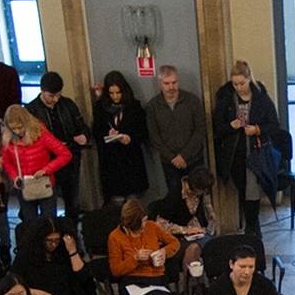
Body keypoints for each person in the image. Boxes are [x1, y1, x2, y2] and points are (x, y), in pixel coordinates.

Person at [211, 61, 284, 239]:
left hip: (256, 152)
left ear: (249, 79)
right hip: (235, 153)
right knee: (242, 189)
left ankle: (252, 227)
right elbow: (216, 128)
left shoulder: (261, 98)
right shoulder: (226, 99)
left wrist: (257, 129)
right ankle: (251, 225)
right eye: (235, 84)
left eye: (242, 84)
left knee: (252, 190)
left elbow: (274, 125)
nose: (239, 88)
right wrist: (231, 125)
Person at [1, 102, 73, 231]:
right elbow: (7, 162)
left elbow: (65, 154)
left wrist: (46, 170)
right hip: (24, 186)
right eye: (13, 128)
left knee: (49, 223)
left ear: (26, 123)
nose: (17, 132)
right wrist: (15, 177)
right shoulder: (8, 139)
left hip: (45, 184)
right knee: (30, 225)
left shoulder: (41, 134)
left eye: (19, 127)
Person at [29, 72, 93, 213]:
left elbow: (82, 126)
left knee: (72, 201)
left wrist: (84, 136)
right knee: (49, 202)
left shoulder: (68, 104)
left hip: (70, 160)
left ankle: (71, 231)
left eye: (58, 95)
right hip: (47, 162)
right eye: (51, 96)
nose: (56, 99)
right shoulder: (32, 110)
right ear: (42, 90)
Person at [145, 64, 210, 199]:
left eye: (174, 82)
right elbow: (154, 135)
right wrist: (173, 158)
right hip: (170, 162)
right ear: (159, 83)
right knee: (175, 198)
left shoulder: (192, 100)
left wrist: (184, 156)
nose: (171, 87)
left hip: (193, 160)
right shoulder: (153, 106)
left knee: (198, 197)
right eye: (166, 83)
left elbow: (200, 129)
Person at [92, 70, 150, 202]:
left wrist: (130, 138)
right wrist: (108, 133)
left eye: (118, 92)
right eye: (111, 93)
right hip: (111, 162)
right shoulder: (101, 108)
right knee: (116, 202)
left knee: (135, 203)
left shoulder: (134, 106)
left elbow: (143, 132)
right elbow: (96, 132)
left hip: (131, 160)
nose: (115, 97)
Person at [16, 217, 95, 295]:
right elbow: (14, 284)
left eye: (56, 240)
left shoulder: (63, 252)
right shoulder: (26, 256)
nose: (53, 244)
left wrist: (72, 250)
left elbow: (83, 276)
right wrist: (37, 293)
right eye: (49, 241)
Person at [150, 166, 217, 275]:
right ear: (196, 188)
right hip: (178, 237)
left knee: (212, 247)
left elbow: (208, 209)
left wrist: (210, 221)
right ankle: (193, 288)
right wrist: (185, 230)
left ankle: (196, 286)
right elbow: (160, 225)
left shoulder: (202, 194)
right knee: (193, 250)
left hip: (198, 233)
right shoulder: (174, 196)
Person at [107, 197, 181, 286]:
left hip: (157, 277)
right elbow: (115, 270)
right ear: (130, 223)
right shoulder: (115, 236)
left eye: (145, 220)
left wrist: (164, 251)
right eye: (140, 223)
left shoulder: (152, 226)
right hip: (133, 280)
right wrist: (135, 258)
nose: (144, 225)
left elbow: (175, 242)